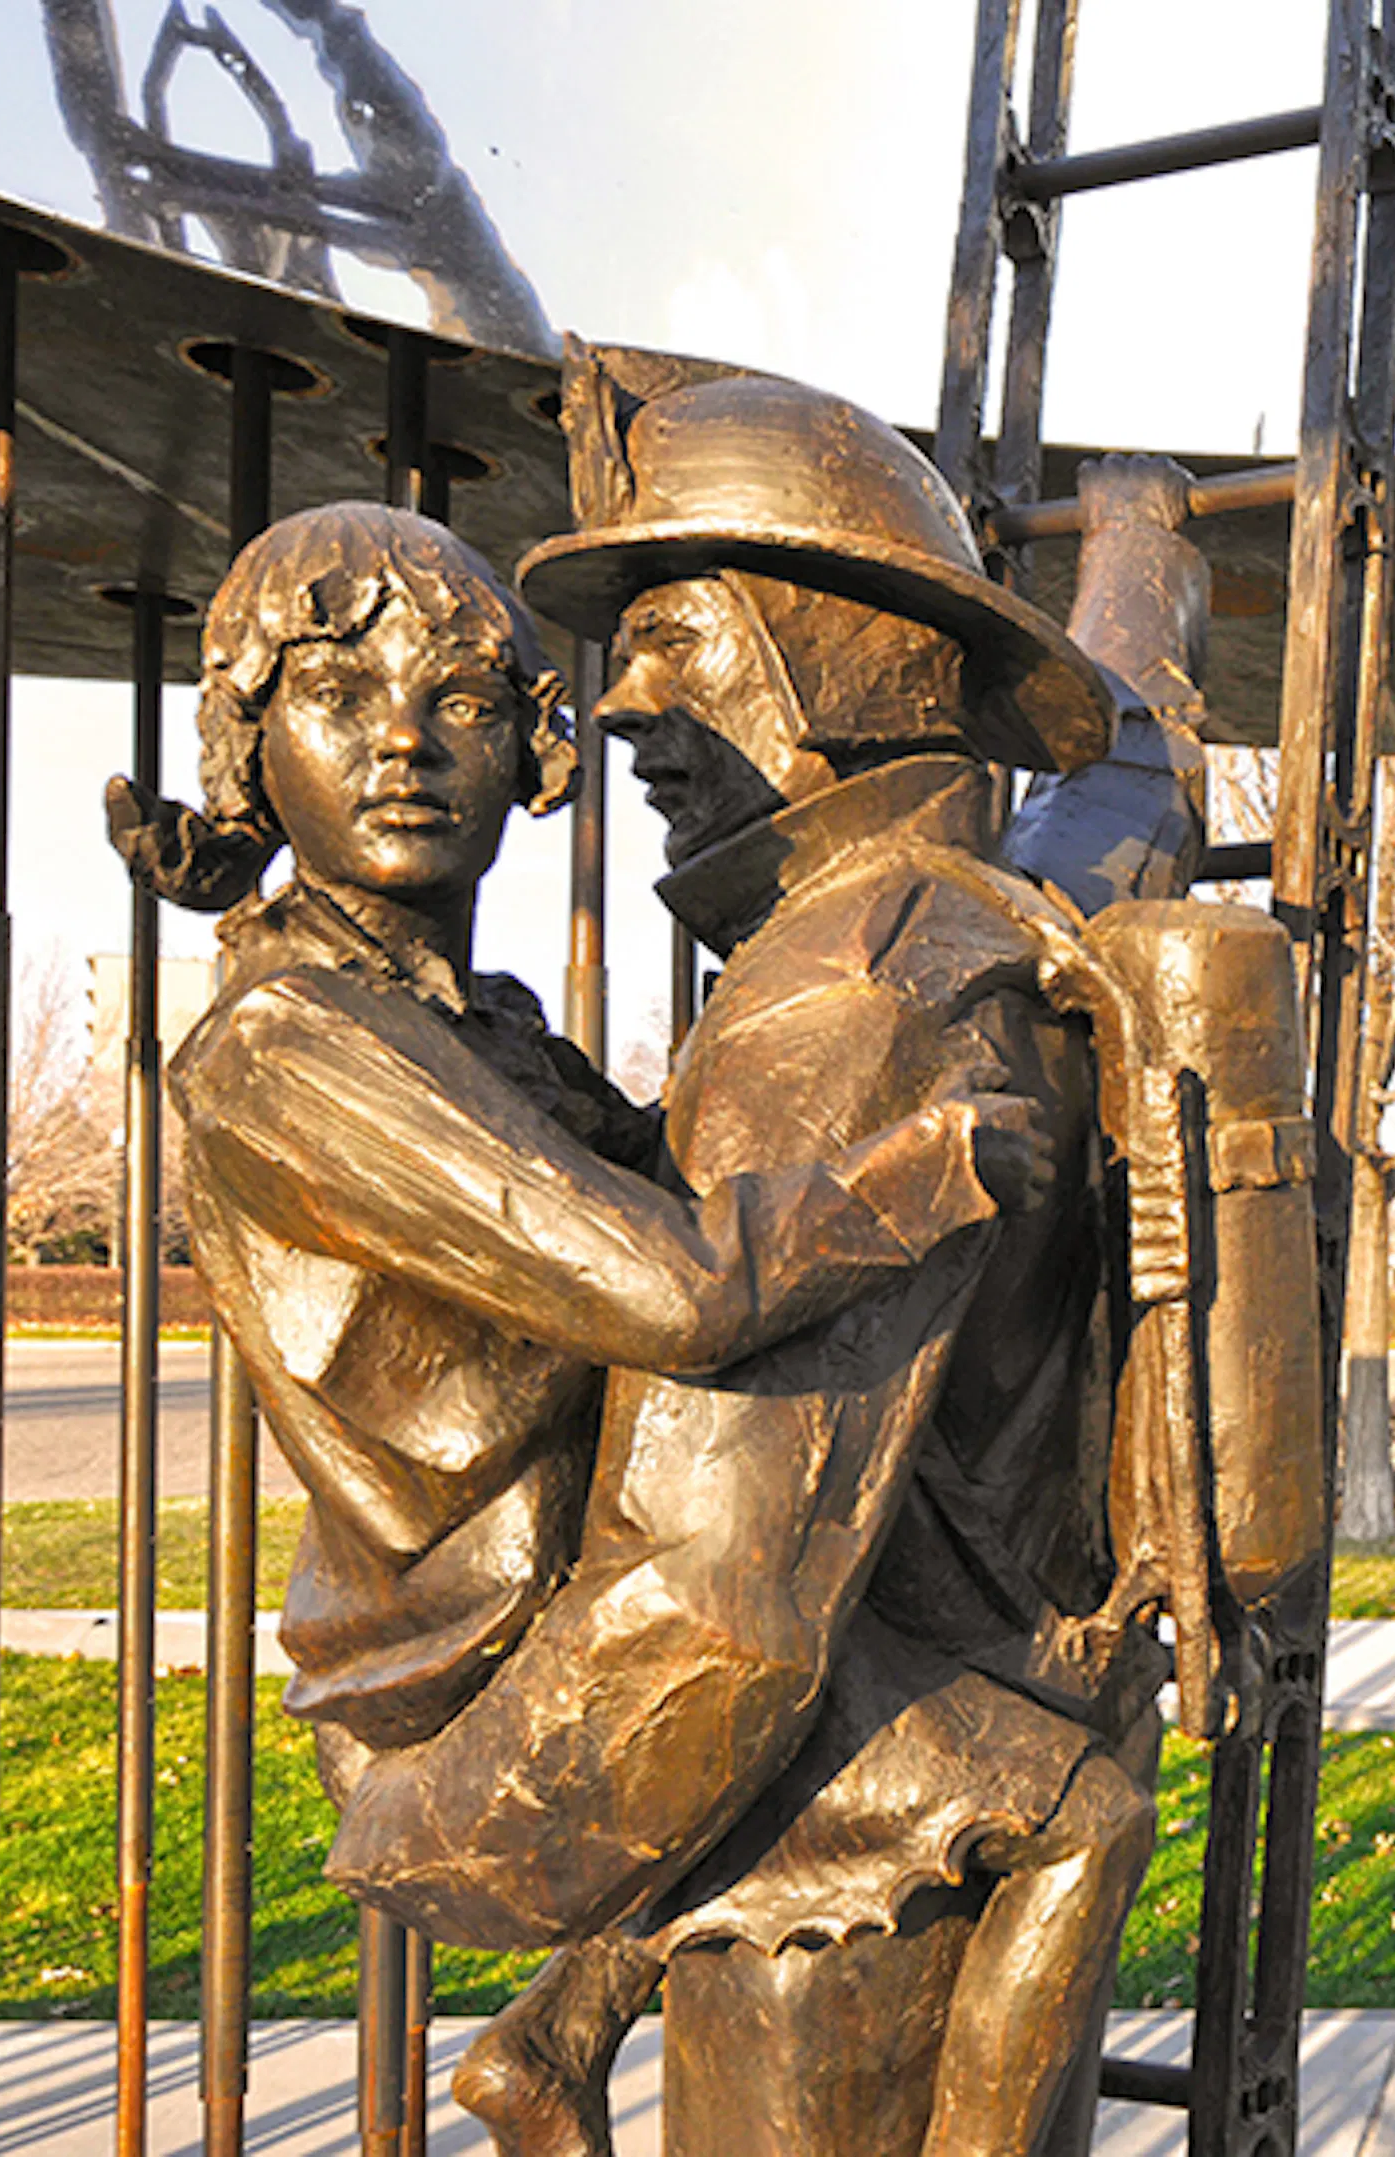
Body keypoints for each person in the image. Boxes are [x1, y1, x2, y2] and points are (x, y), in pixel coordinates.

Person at [326, 343, 1317, 2156]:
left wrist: (466, 1830)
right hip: (1000, 1752)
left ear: (844, 653)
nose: (621, 707)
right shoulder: (997, 916)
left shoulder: (836, 1005)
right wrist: (1139, 553)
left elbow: (712, 1606)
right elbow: (1131, 776)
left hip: (814, 1884)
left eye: (677, 633)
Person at [117, 500, 1057, 2156]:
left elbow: (697, 1173)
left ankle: (553, 2041)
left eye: (466, 707)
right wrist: (926, 1173)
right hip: (482, 1716)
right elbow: (676, 1286)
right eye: (339, 700)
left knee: (1004, 1736)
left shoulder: (480, 1033)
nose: (405, 749)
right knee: (1070, 1821)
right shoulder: (290, 1047)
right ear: (252, 752)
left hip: (597, 1622)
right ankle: (559, 2023)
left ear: (533, 762)